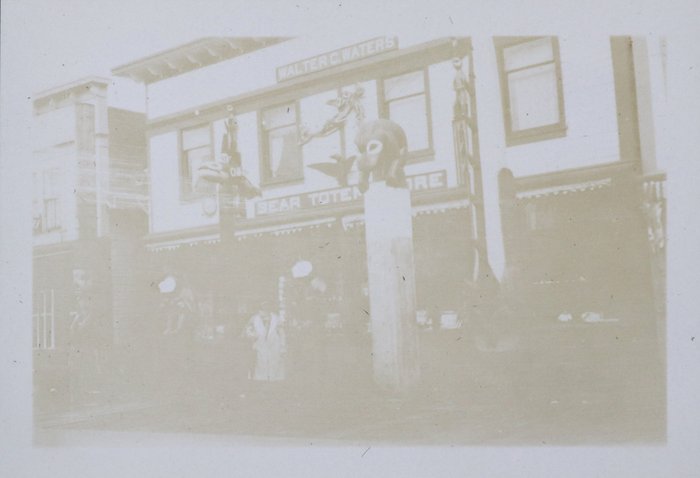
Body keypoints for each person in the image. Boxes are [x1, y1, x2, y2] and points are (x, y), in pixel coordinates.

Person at [244, 301, 287, 384]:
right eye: (263, 305)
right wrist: (253, 335)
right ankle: (262, 383)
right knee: (261, 366)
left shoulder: (276, 318)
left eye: (267, 304)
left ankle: (273, 382)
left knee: (274, 367)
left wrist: (283, 346)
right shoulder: (254, 318)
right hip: (260, 345)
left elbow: (282, 333)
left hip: (274, 345)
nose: (265, 306)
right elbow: (247, 331)